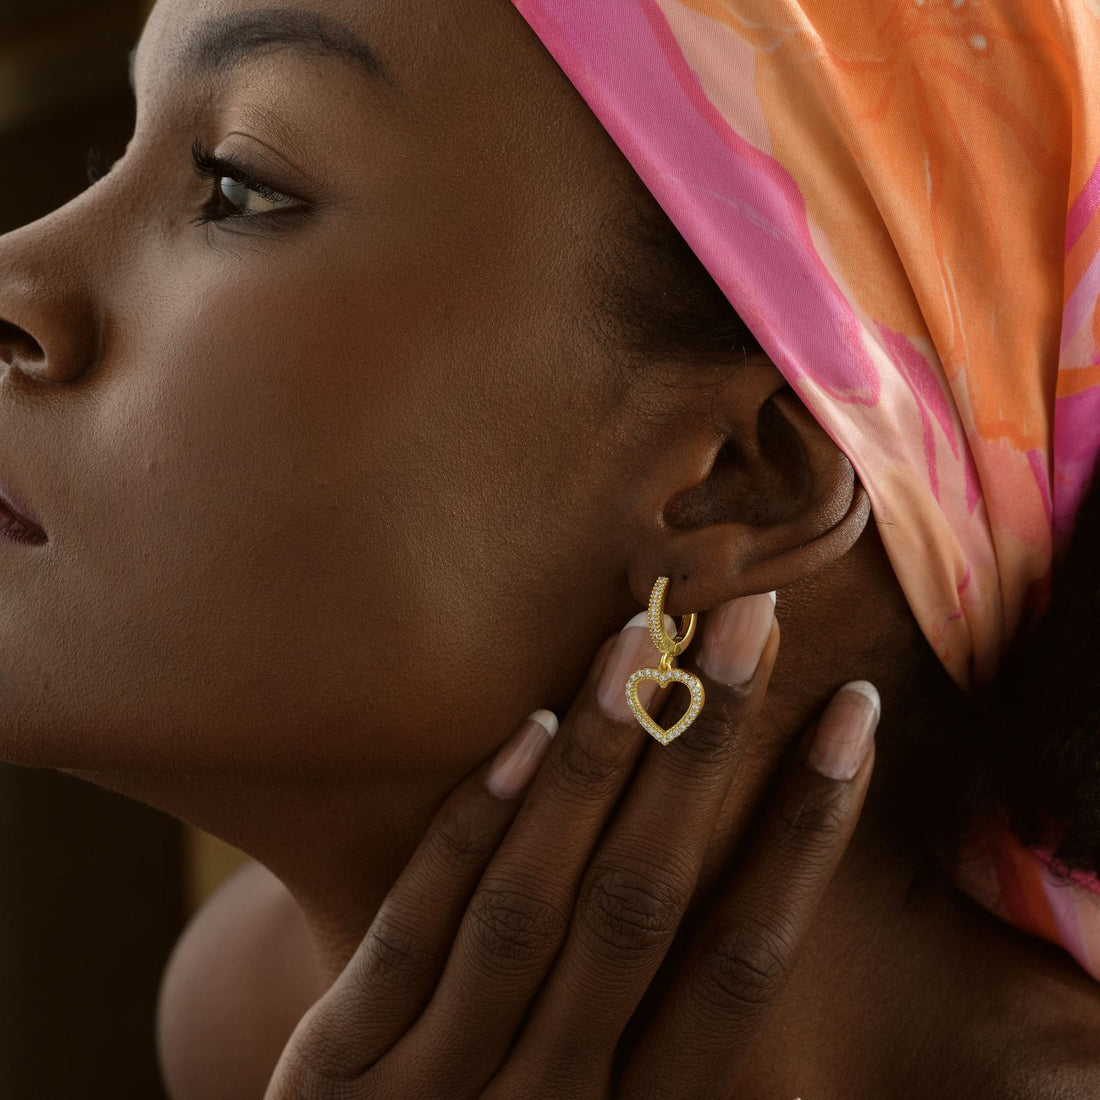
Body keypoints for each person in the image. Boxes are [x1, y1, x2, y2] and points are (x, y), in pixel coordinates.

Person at [0, 0, 1096, 1095]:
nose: (18, 276)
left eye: (237, 185)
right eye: (115, 155)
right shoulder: (255, 1009)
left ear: (738, 480)